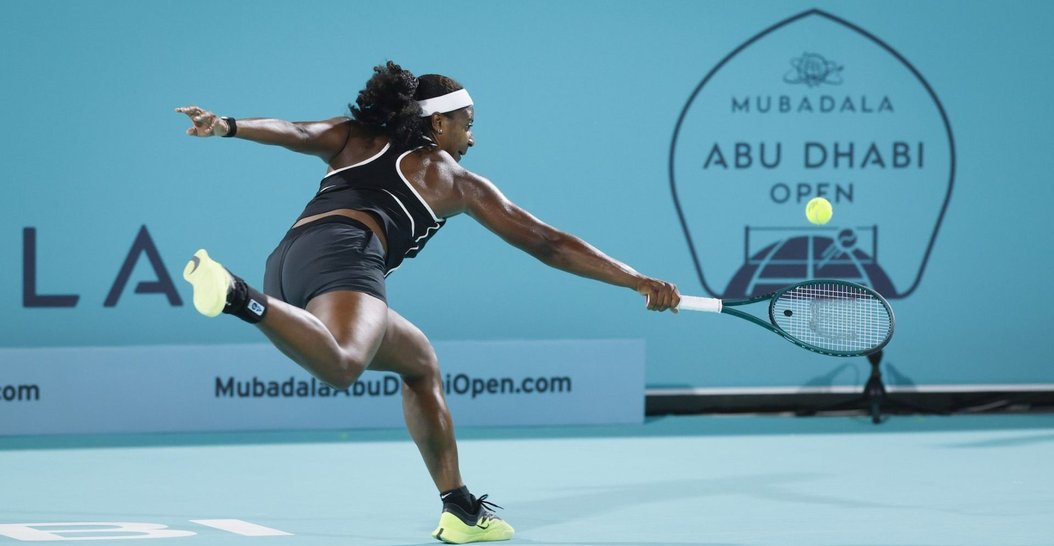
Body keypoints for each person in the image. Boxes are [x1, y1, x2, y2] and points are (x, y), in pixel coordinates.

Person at [176, 60, 681, 544]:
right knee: (344, 363)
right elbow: (547, 243)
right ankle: (237, 295)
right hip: (346, 254)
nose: (472, 138)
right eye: (467, 124)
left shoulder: (356, 135)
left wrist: (227, 126)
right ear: (439, 122)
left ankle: (459, 508)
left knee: (419, 363)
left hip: (289, 258)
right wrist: (636, 280)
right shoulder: (452, 179)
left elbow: (296, 132)